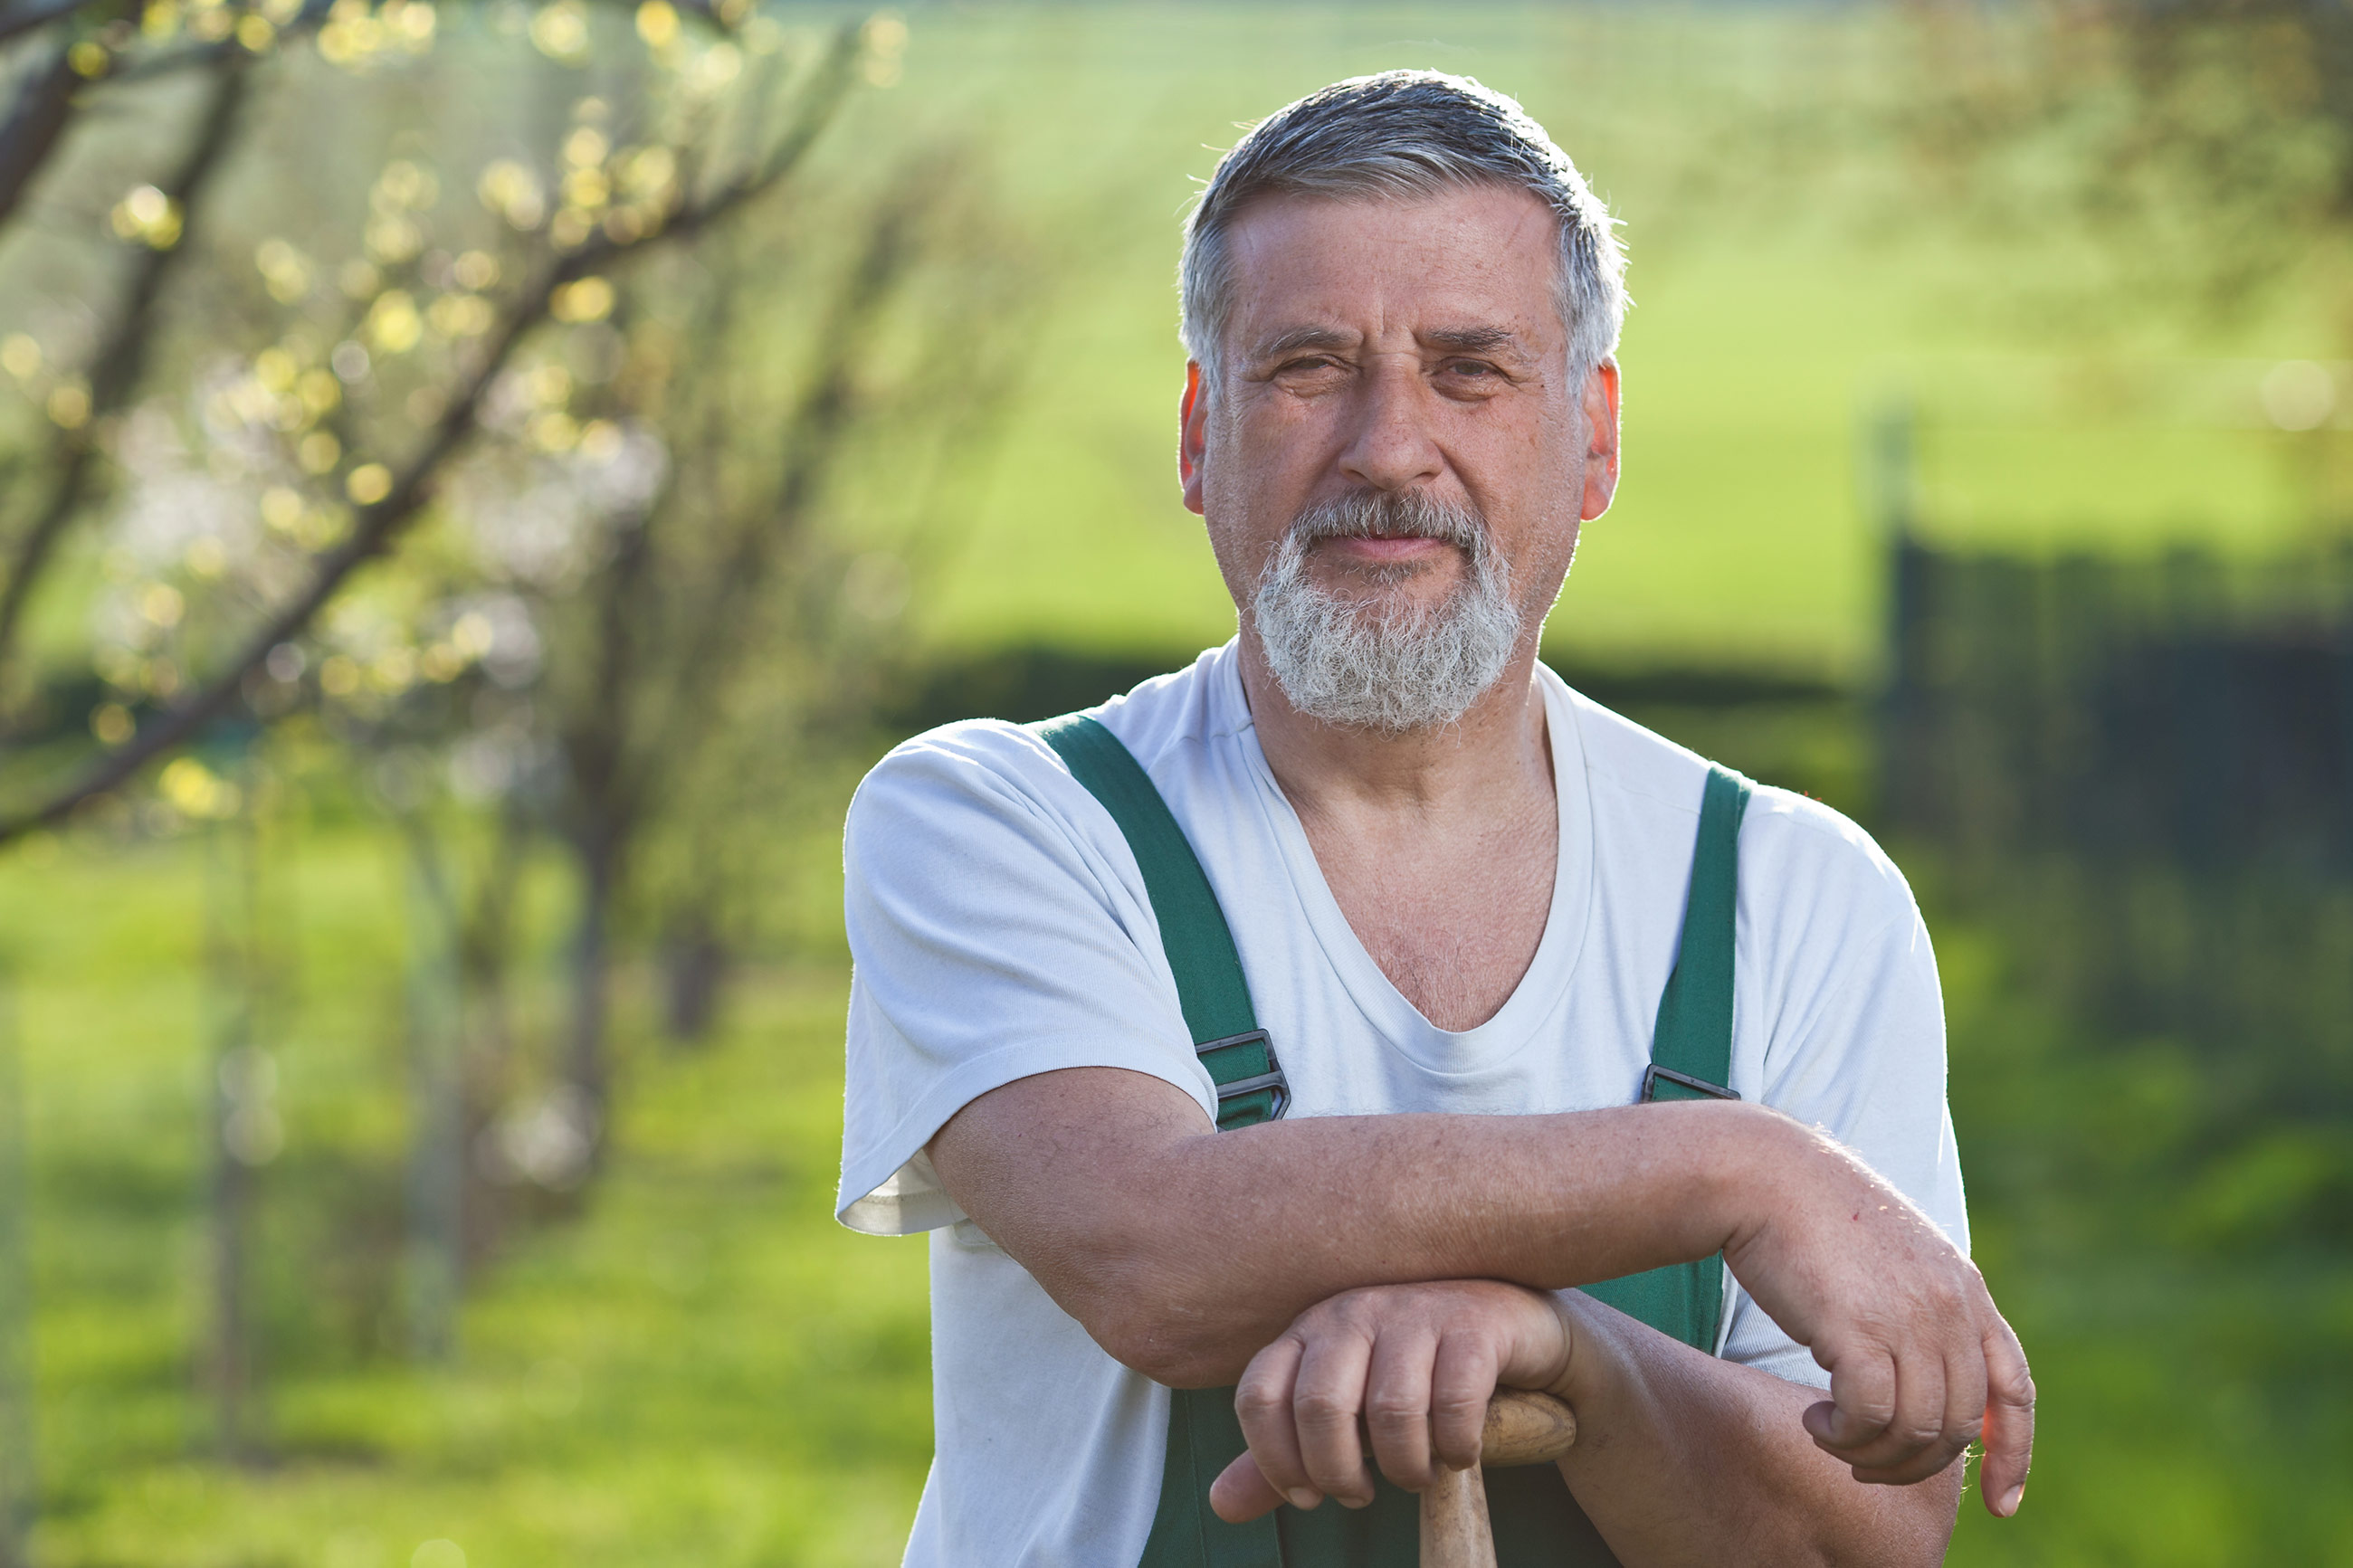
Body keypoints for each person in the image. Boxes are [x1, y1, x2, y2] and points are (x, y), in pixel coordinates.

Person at [835, 70, 2033, 1566]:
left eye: (1471, 368)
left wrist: (1569, 1363)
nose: (1389, 447)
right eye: (1310, 367)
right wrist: (1744, 1172)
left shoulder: (1792, 898)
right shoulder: (1006, 820)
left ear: (1591, 437)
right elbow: (1156, 1250)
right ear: (1201, 431)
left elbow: (1865, 1540)